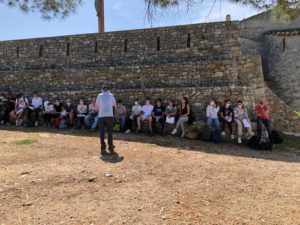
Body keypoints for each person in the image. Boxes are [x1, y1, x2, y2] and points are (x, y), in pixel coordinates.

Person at [96, 85, 118, 157]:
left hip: (101, 116)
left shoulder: (99, 95)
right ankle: (110, 146)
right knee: (110, 132)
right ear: (107, 90)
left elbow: (97, 106)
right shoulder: (111, 95)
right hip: (109, 115)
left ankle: (102, 146)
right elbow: (114, 105)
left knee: (102, 132)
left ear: (102, 89)